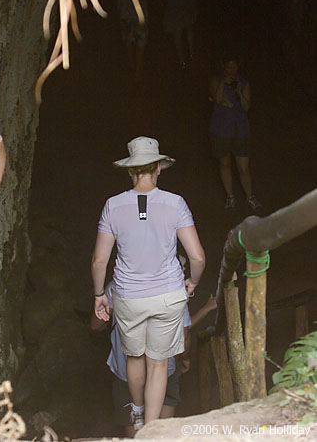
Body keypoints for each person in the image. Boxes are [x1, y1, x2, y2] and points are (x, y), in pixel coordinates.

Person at [91, 136, 206, 432]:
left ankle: (138, 413)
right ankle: (152, 431)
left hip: (128, 295)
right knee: (158, 363)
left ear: (130, 171)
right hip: (168, 294)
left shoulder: (113, 206)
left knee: (134, 357)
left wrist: (99, 294)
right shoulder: (175, 203)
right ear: (158, 168)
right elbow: (197, 256)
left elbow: (99, 261)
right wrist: (192, 281)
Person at [91, 282, 217, 437]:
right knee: (163, 432)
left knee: (135, 434)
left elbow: (96, 326)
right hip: (164, 371)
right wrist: (185, 360)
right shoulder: (173, 287)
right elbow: (184, 335)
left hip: (125, 371)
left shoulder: (117, 284)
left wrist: (107, 310)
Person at [209, 54, 262, 210]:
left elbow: (246, 107)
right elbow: (218, 99)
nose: (232, 70)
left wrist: (239, 91)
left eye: (234, 66)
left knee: (244, 167)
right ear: (223, 67)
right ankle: (230, 196)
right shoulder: (216, 81)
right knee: (225, 164)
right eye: (228, 66)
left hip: (240, 130)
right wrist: (223, 84)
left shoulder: (244, 83)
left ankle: (250, 196)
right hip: (221, 130)